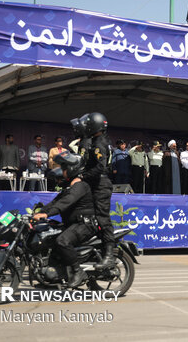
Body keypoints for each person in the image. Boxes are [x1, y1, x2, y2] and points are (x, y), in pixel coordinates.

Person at [33, 151, 97, 288]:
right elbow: (55, 202)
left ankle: (77, 271)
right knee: (50, 239)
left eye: (64, 168)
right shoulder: (70, 187)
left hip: (83, 224)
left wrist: (47, 214)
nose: (62, 171)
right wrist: (40, 212)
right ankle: (54, 277)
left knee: (62, 241)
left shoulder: (80, 186)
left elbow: (65, 203)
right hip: (73, 224)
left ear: (72, 168)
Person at [76, 112, 115, 269]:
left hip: (101, 185)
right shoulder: (94, 141)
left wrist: (82, 176)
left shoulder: (99, 143)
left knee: (102, 218)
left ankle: (110, 255)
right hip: (94, 184)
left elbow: (100, 167)